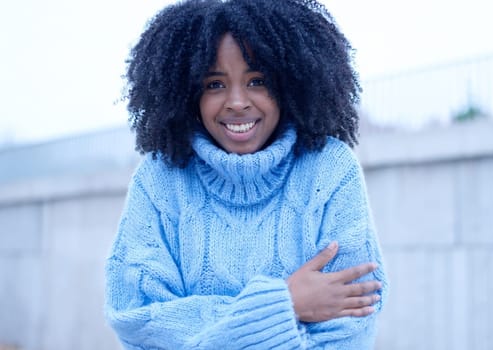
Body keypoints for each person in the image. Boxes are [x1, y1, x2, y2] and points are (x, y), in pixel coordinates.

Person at [104, 0, 387, 348]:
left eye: (257, 80)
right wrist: (286, 303)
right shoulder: (160, 179)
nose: (237, 101)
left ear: (289, 83)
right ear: (187, 92)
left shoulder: (329, 171)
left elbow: (350, 331)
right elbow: (139, 322)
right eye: (214, 84)